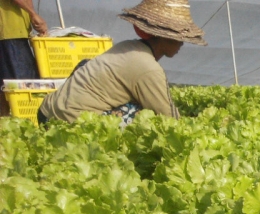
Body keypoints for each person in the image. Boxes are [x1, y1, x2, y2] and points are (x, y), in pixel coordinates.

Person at [37, 0, 205, 126]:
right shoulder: (148, 69)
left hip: (46, 111)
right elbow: (169, 118)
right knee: (146, 118)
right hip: (68, 121)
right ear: (163, 37)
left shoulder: (127, 46)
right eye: (179, 39)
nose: (182, 44)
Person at [0, 0, 47, 117]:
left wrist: (32, 17)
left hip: (14, 32)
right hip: (10, 32)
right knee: (24, 85)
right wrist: (33, 14)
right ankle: (25, 122)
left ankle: (5, 122)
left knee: (6, 85)